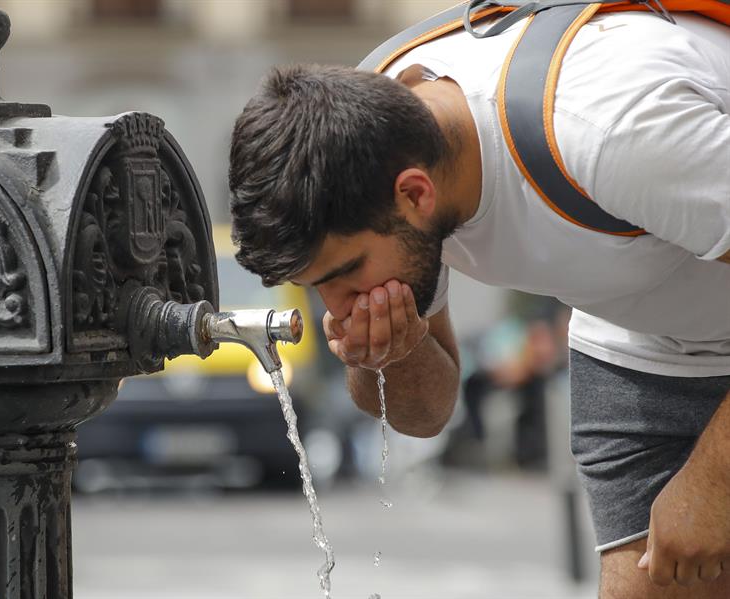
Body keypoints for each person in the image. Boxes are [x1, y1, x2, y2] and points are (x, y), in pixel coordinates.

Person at [226, 4, 730, 598]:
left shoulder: (611, 128)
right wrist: (384, 353)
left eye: (347, 273)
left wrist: (715, 483)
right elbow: (428, 411)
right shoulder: (379, 135)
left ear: (415, 193)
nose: (338, 305)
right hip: (637, 339)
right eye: (321, 288)